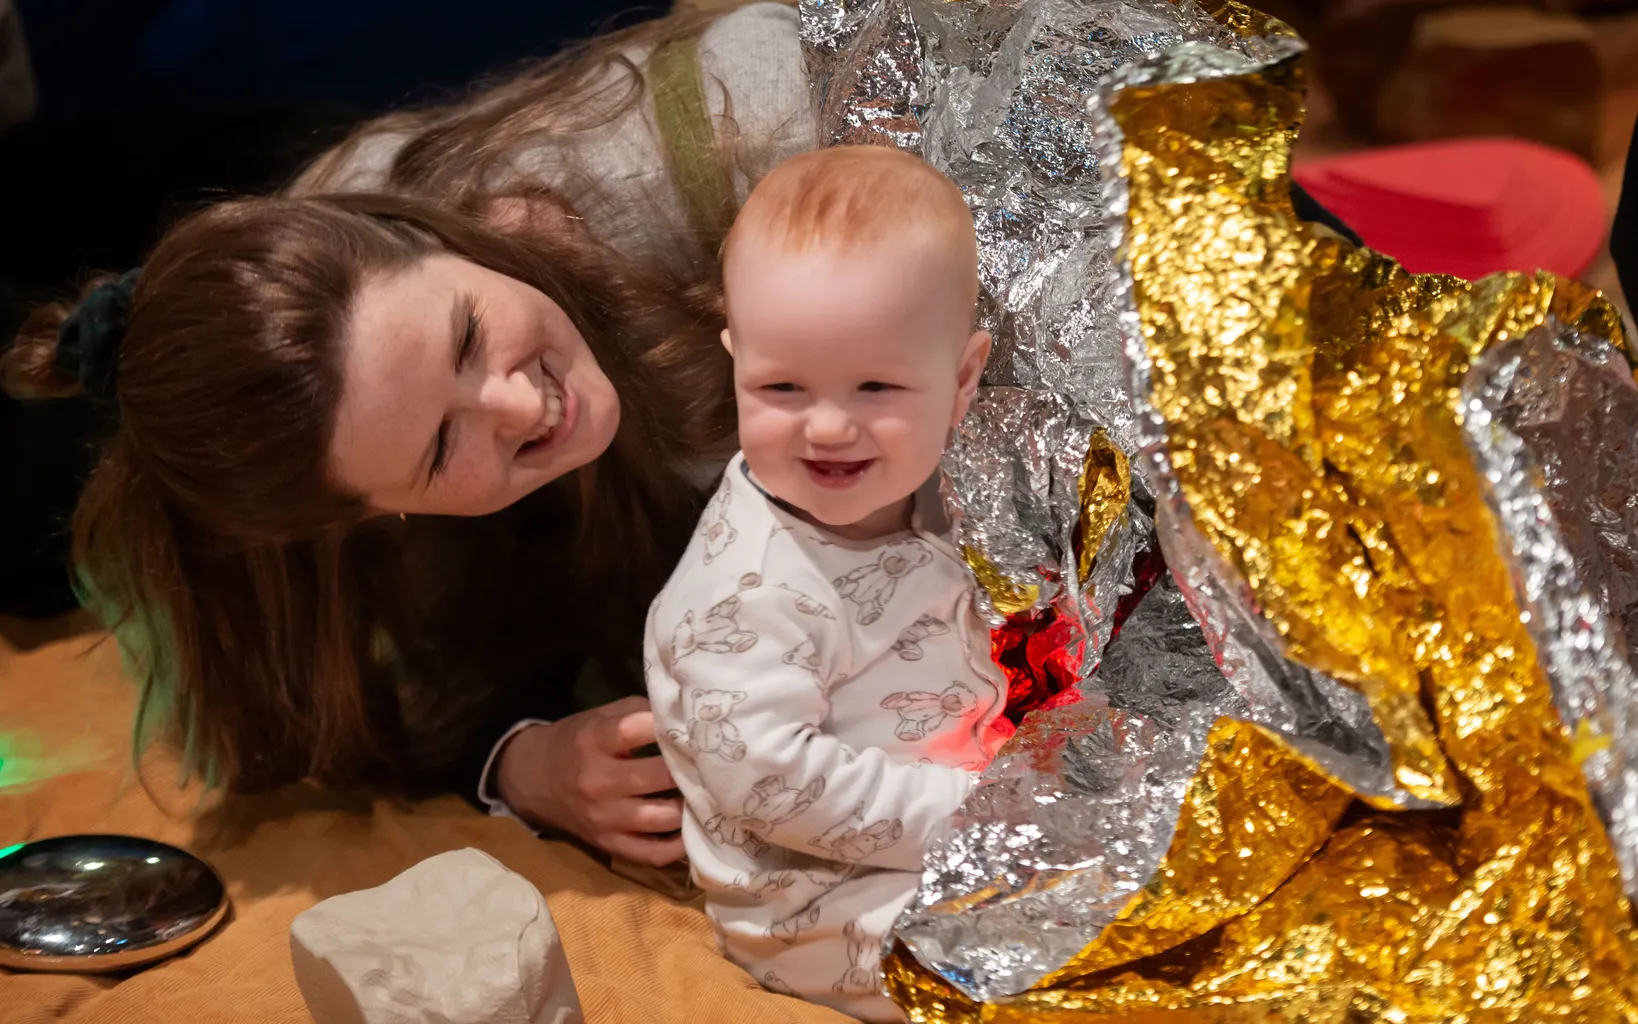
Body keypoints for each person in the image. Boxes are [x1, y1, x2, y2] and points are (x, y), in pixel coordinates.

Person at [0, 1, 1358, 874]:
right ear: (374, 515)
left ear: (437, 245)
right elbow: (355, 713)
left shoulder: (718, 144)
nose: (523, 406)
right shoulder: (322, 483)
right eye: (438, 451)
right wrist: (515, 763)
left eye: (475, 338)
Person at [645, 146, 1010, 1021]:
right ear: (734, 362)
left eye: (877, 385)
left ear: (961, 380)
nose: (830, 425)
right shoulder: (743, 594)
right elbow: (771, 783)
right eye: (781, 386)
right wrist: (975, 813)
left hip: (951, 800)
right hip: (819, 906)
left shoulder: (938, 491)